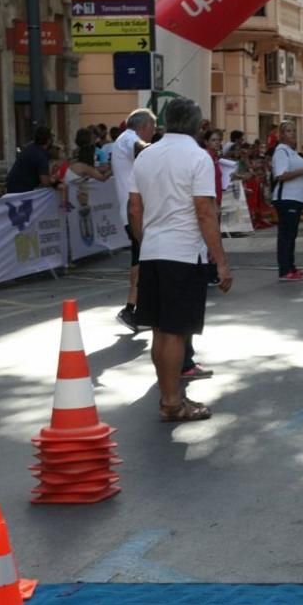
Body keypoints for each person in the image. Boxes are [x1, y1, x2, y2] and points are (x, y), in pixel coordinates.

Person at [128, 98, 233, 422]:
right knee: (175, 332)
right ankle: (172, 402)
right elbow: (205, 211)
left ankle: (168, 396)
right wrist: (221, 261)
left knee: (160, 331)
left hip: (153, 251)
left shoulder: (146, 156)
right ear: (198, 124)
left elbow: (134, 208)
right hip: (183, 253)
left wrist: (146, 243)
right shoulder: (197, 158)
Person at [112, 109, 157, 332]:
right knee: (142, 258)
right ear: (144, 126)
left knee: (140, 258)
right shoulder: (129, 138)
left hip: (134, 209)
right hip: (134, 210)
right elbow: (144, 150)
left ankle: (137, 310)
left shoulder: (124, 140)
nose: (154, 133)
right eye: (154, 128)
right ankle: (131, 309)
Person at [271, 120, 303, 281]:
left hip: (296, 198)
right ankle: (285, 269)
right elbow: (280, 175)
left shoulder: (292, 152)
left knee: (291, 234)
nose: (292, 134)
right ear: (281, 134)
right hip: (287, 197)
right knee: (286, 235)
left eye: (294, 130)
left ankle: (291, 266)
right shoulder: (281, 151)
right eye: (288, 131)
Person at [5, 126, 54, 193]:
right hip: (21, 191)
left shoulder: (30, 148)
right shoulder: (41, 156)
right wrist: (55, 181)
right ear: (48, 140)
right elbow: (45, 182)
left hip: (11, 186)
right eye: (52, 137)